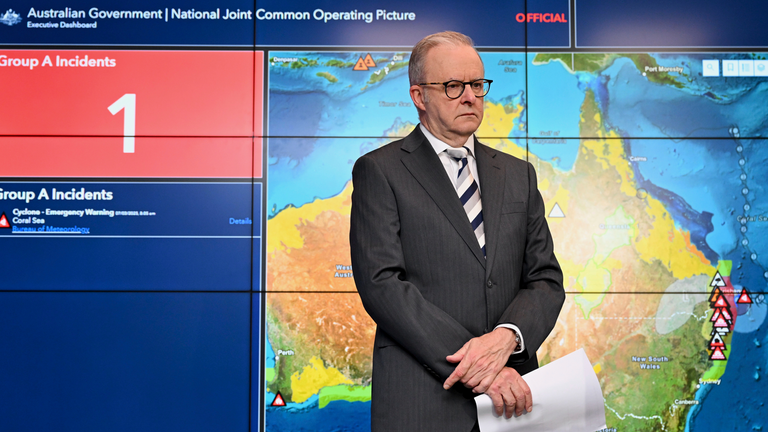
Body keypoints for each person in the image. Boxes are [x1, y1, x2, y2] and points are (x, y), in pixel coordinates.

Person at [350, 31, 565, 432]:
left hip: (513, 404)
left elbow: (546, 280)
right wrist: (481, 368)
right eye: (453, 86)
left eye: (477, 85)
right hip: (424, 404)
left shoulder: (519, 175)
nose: (470, 96)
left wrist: (506, 338)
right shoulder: (380, 171)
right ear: (419, 96)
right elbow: (382, 284)